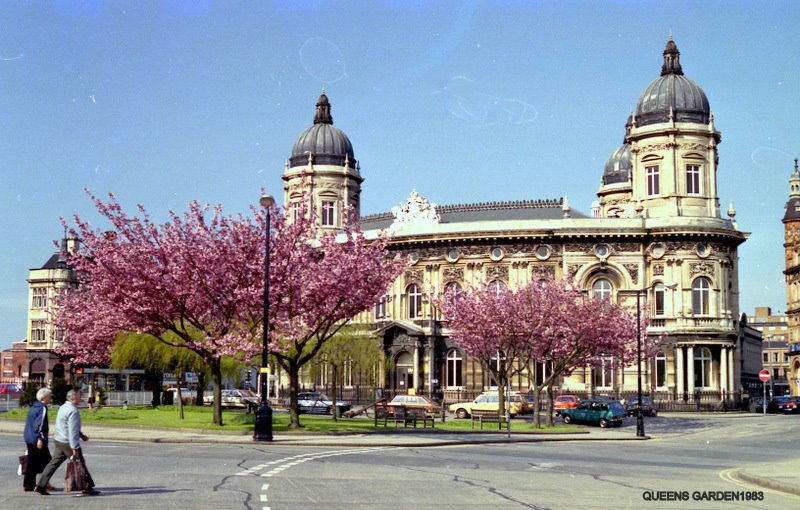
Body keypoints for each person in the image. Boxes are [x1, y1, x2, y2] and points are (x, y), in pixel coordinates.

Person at [35, 390, 100, 496]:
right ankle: (87, 487)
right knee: (80, 463)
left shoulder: (63, 407)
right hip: (68, 443)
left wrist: (82, 435)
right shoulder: (73, 411)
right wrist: (75, 448)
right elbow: (72, 431)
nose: (81, 397)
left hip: (59, 440)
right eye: (79, 396)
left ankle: (40, 486)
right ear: (73, 397)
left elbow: (67, 426)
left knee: (53, 464)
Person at [23, 388, 53, 492]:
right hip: (37, 439)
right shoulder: (42, 408)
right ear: (44, 398)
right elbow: (39, 424)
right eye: (49, 396)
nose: (51, 398)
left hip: (29, 438)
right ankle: (43, 483)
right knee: (48, 462)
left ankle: (28, 484)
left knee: (32, 462)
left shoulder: (33, 407)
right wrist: (40, 438)